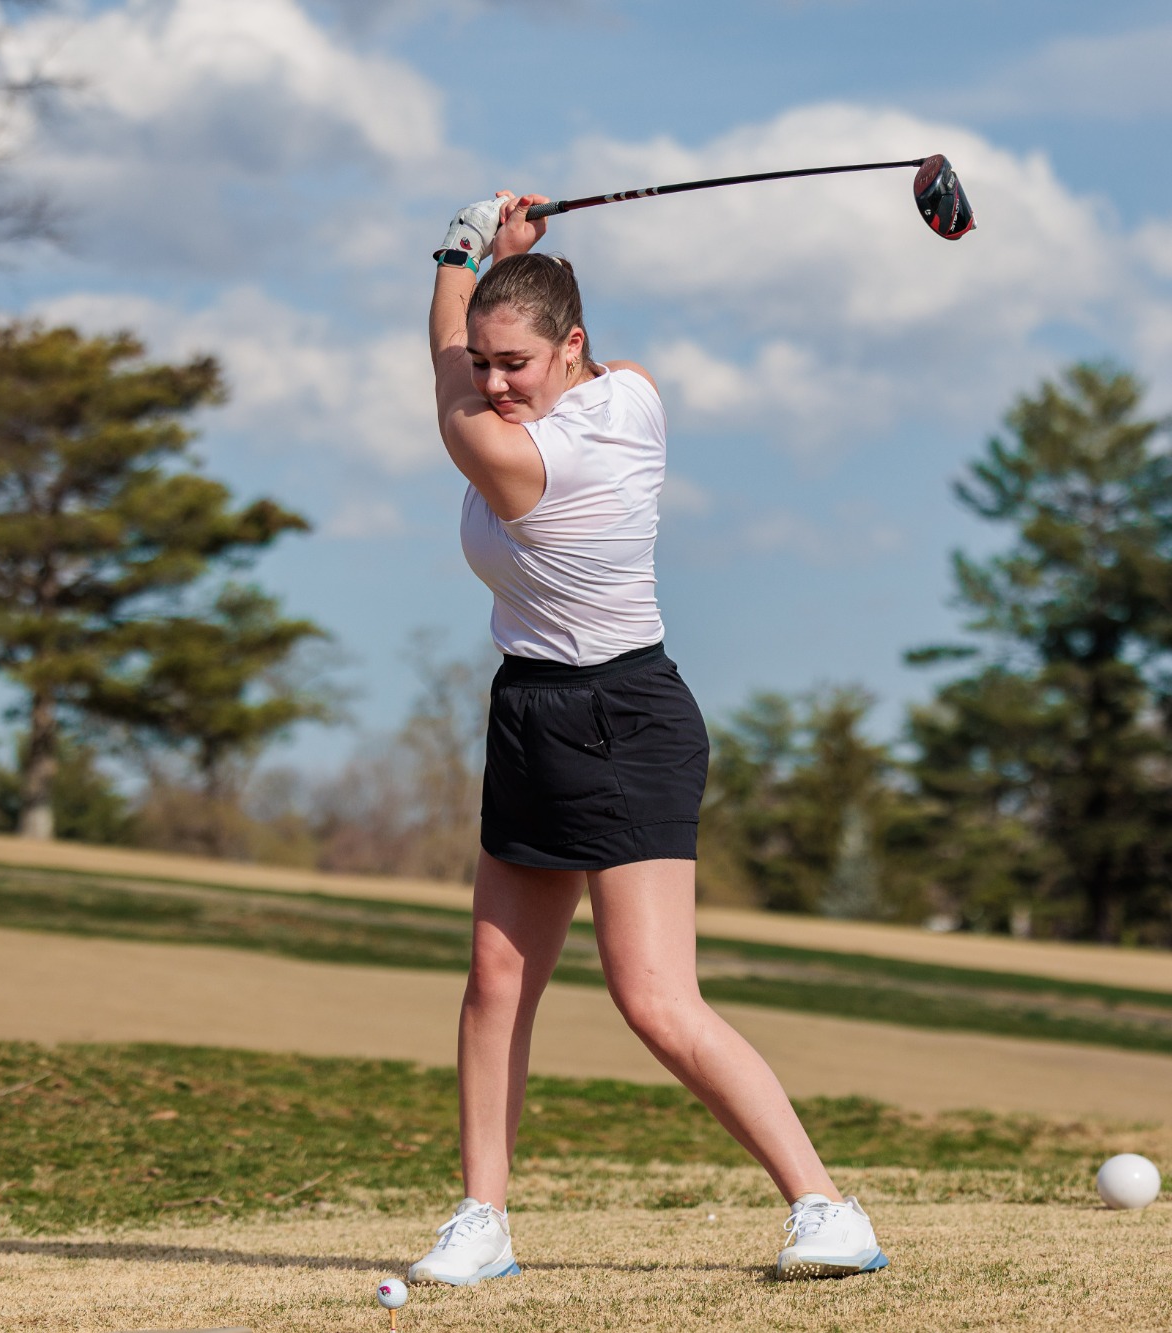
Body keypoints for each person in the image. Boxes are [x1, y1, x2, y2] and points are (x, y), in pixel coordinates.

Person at [404, 192, 889, 1286]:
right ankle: (482, 1217)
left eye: (513, 363)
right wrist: (504, 268)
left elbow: (437, 380)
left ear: (570, 350)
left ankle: (825, 1206)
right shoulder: (633, 391)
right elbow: (464, 357)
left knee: (654, 998)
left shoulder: (528, 461)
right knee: (493, 977)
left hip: (620, 717)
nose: (490, 381)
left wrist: (456, 246)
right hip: (530, 706)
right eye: (485, 361)